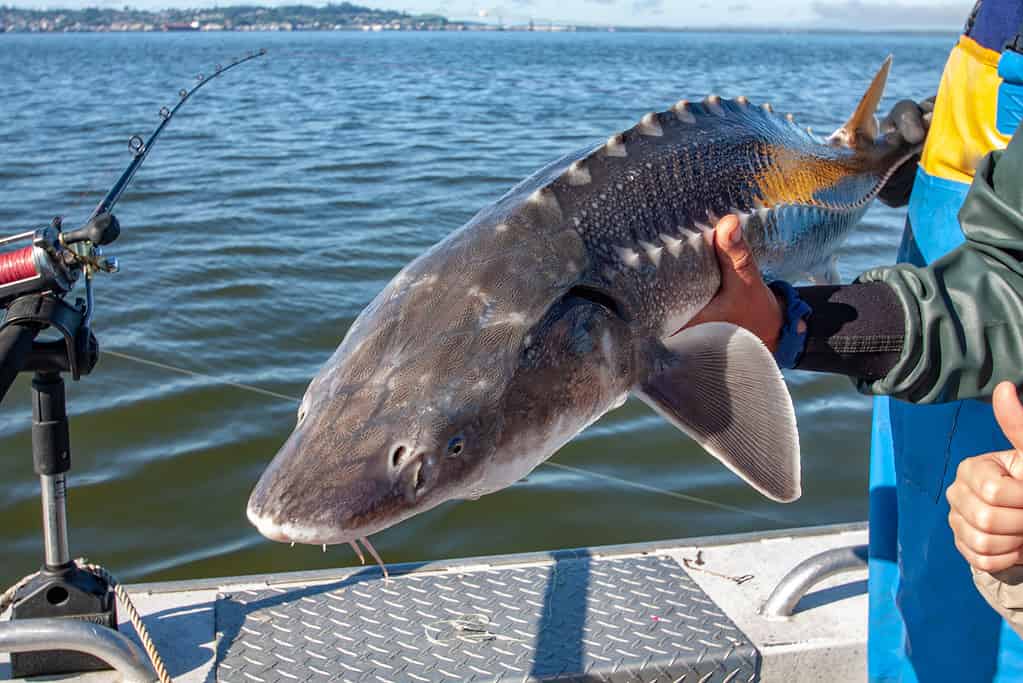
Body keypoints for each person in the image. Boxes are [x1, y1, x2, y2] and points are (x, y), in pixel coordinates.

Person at [690, 2, 1023, 679]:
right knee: (908, 577)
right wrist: (925, 137)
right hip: (931, 273)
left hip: (978, 354)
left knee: (969, 618)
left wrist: (792, 324)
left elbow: (1003, 295)